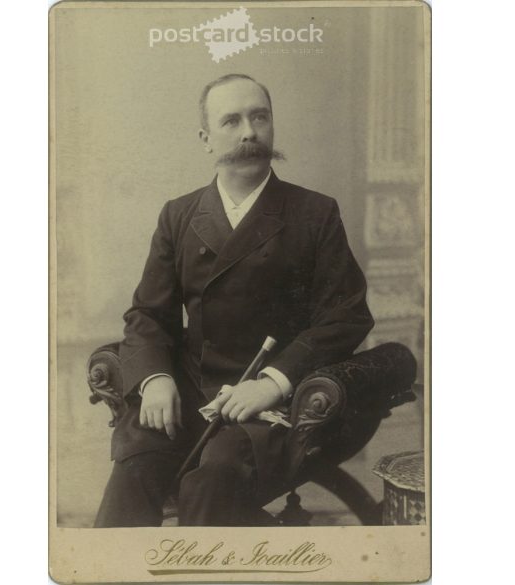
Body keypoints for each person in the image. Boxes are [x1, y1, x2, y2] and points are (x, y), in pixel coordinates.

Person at [94, 73, 373, 527]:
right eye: (231, 121)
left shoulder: (314, 213)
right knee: (135, 469)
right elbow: (148, 313)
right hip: (187, 391)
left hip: (273, 403)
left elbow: (346, 316)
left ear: (272, 125)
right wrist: (154, 378)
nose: (249, 132)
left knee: (211, 483)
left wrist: (272, 382)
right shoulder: (179, 215)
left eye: (259, 116)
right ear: (206, 139)